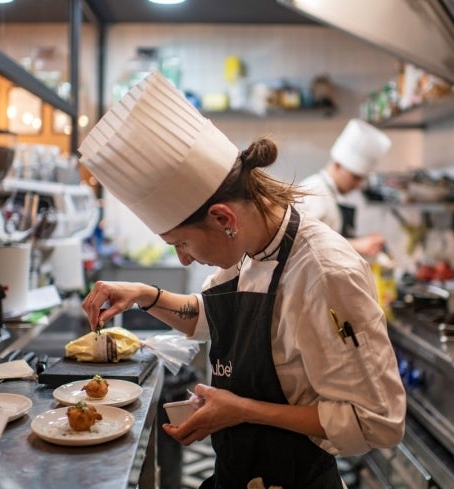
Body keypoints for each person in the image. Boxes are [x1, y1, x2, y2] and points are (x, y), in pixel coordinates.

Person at [78, 71, 406, 489]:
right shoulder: (252, 251)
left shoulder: (324, 272)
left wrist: (243, 410)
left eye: (181, 243)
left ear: (223, 219)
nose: (183, 257)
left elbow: (376, 421)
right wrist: (146, 295)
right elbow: (213, 317)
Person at [297, 118, 392, 258]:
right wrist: (357, 245)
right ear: (337, 165)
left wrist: (362, 241)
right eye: (355, 177)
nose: (359, 184)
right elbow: (302, 245)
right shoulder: (314, 193)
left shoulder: (331, 193)